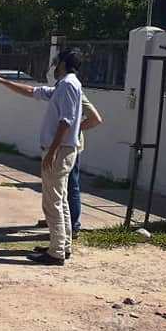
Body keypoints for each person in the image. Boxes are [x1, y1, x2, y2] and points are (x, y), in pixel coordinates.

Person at [0, 49, 84, 265]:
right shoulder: (65, 85)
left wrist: (53, 151)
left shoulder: (67, 85)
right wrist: (1, 80)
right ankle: (62, 246)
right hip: (63, 150)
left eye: (56, 63)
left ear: (64, 64)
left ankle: (56, 252)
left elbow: (66, 121)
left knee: (52, 202)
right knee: (61, 200)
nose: (54, 67)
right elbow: (32, 91)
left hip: (59, 150)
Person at [36, 94, 103, 240]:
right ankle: (57, 221)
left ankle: (72, 226)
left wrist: (74, 129)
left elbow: (95, 119)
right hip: (63, 146)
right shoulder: (61, 90)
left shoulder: (75, 92)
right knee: (61, 189)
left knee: (70, 186)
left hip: (69, 148)